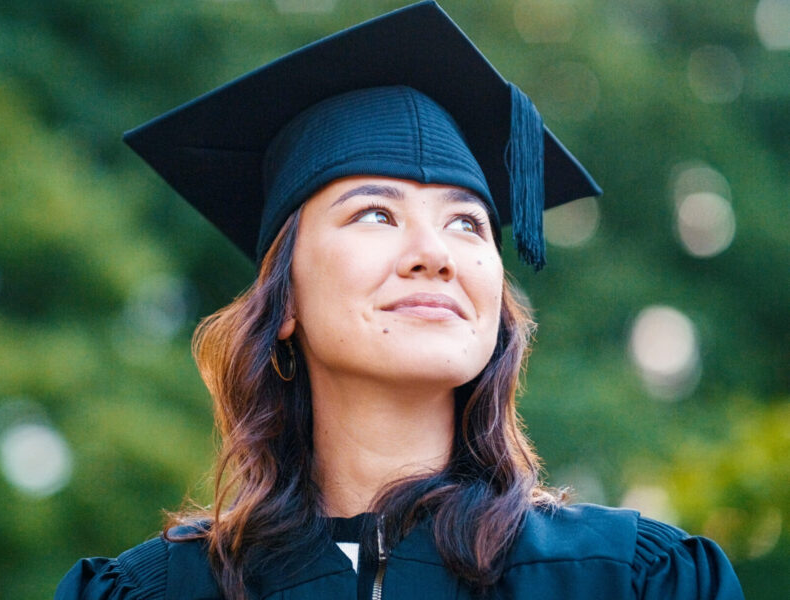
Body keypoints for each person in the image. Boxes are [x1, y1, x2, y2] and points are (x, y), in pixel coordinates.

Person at [56, 2, 744, 599]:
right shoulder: (157, 592)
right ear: (284, 298)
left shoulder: (629, 581)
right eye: (375, 214)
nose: (435, 253)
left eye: (467, 224)